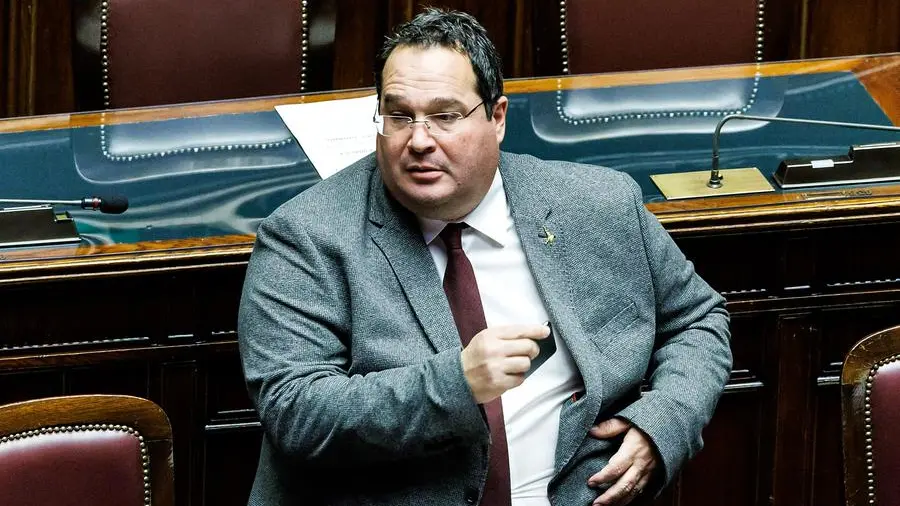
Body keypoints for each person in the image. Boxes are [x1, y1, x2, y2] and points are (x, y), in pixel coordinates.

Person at [238, 8, 731, 506]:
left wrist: (663, 422)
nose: (419, 140)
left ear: (497, 118)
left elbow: (696, 319)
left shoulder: (597, 204)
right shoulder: (305, 236)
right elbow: (294, 412)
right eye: (399, 115)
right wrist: (457, 382)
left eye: (445, 116)